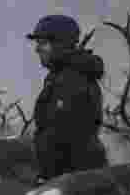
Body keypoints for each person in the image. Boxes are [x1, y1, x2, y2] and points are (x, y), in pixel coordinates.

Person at [26, 14, 107, 183]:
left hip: (76, 184)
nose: (37, 49)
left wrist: (46, 177)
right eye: (37, 43)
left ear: (60, 45)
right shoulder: (60, 76)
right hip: (67, 180)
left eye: (43, 43)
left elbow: (61, 138)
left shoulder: (73, 80)